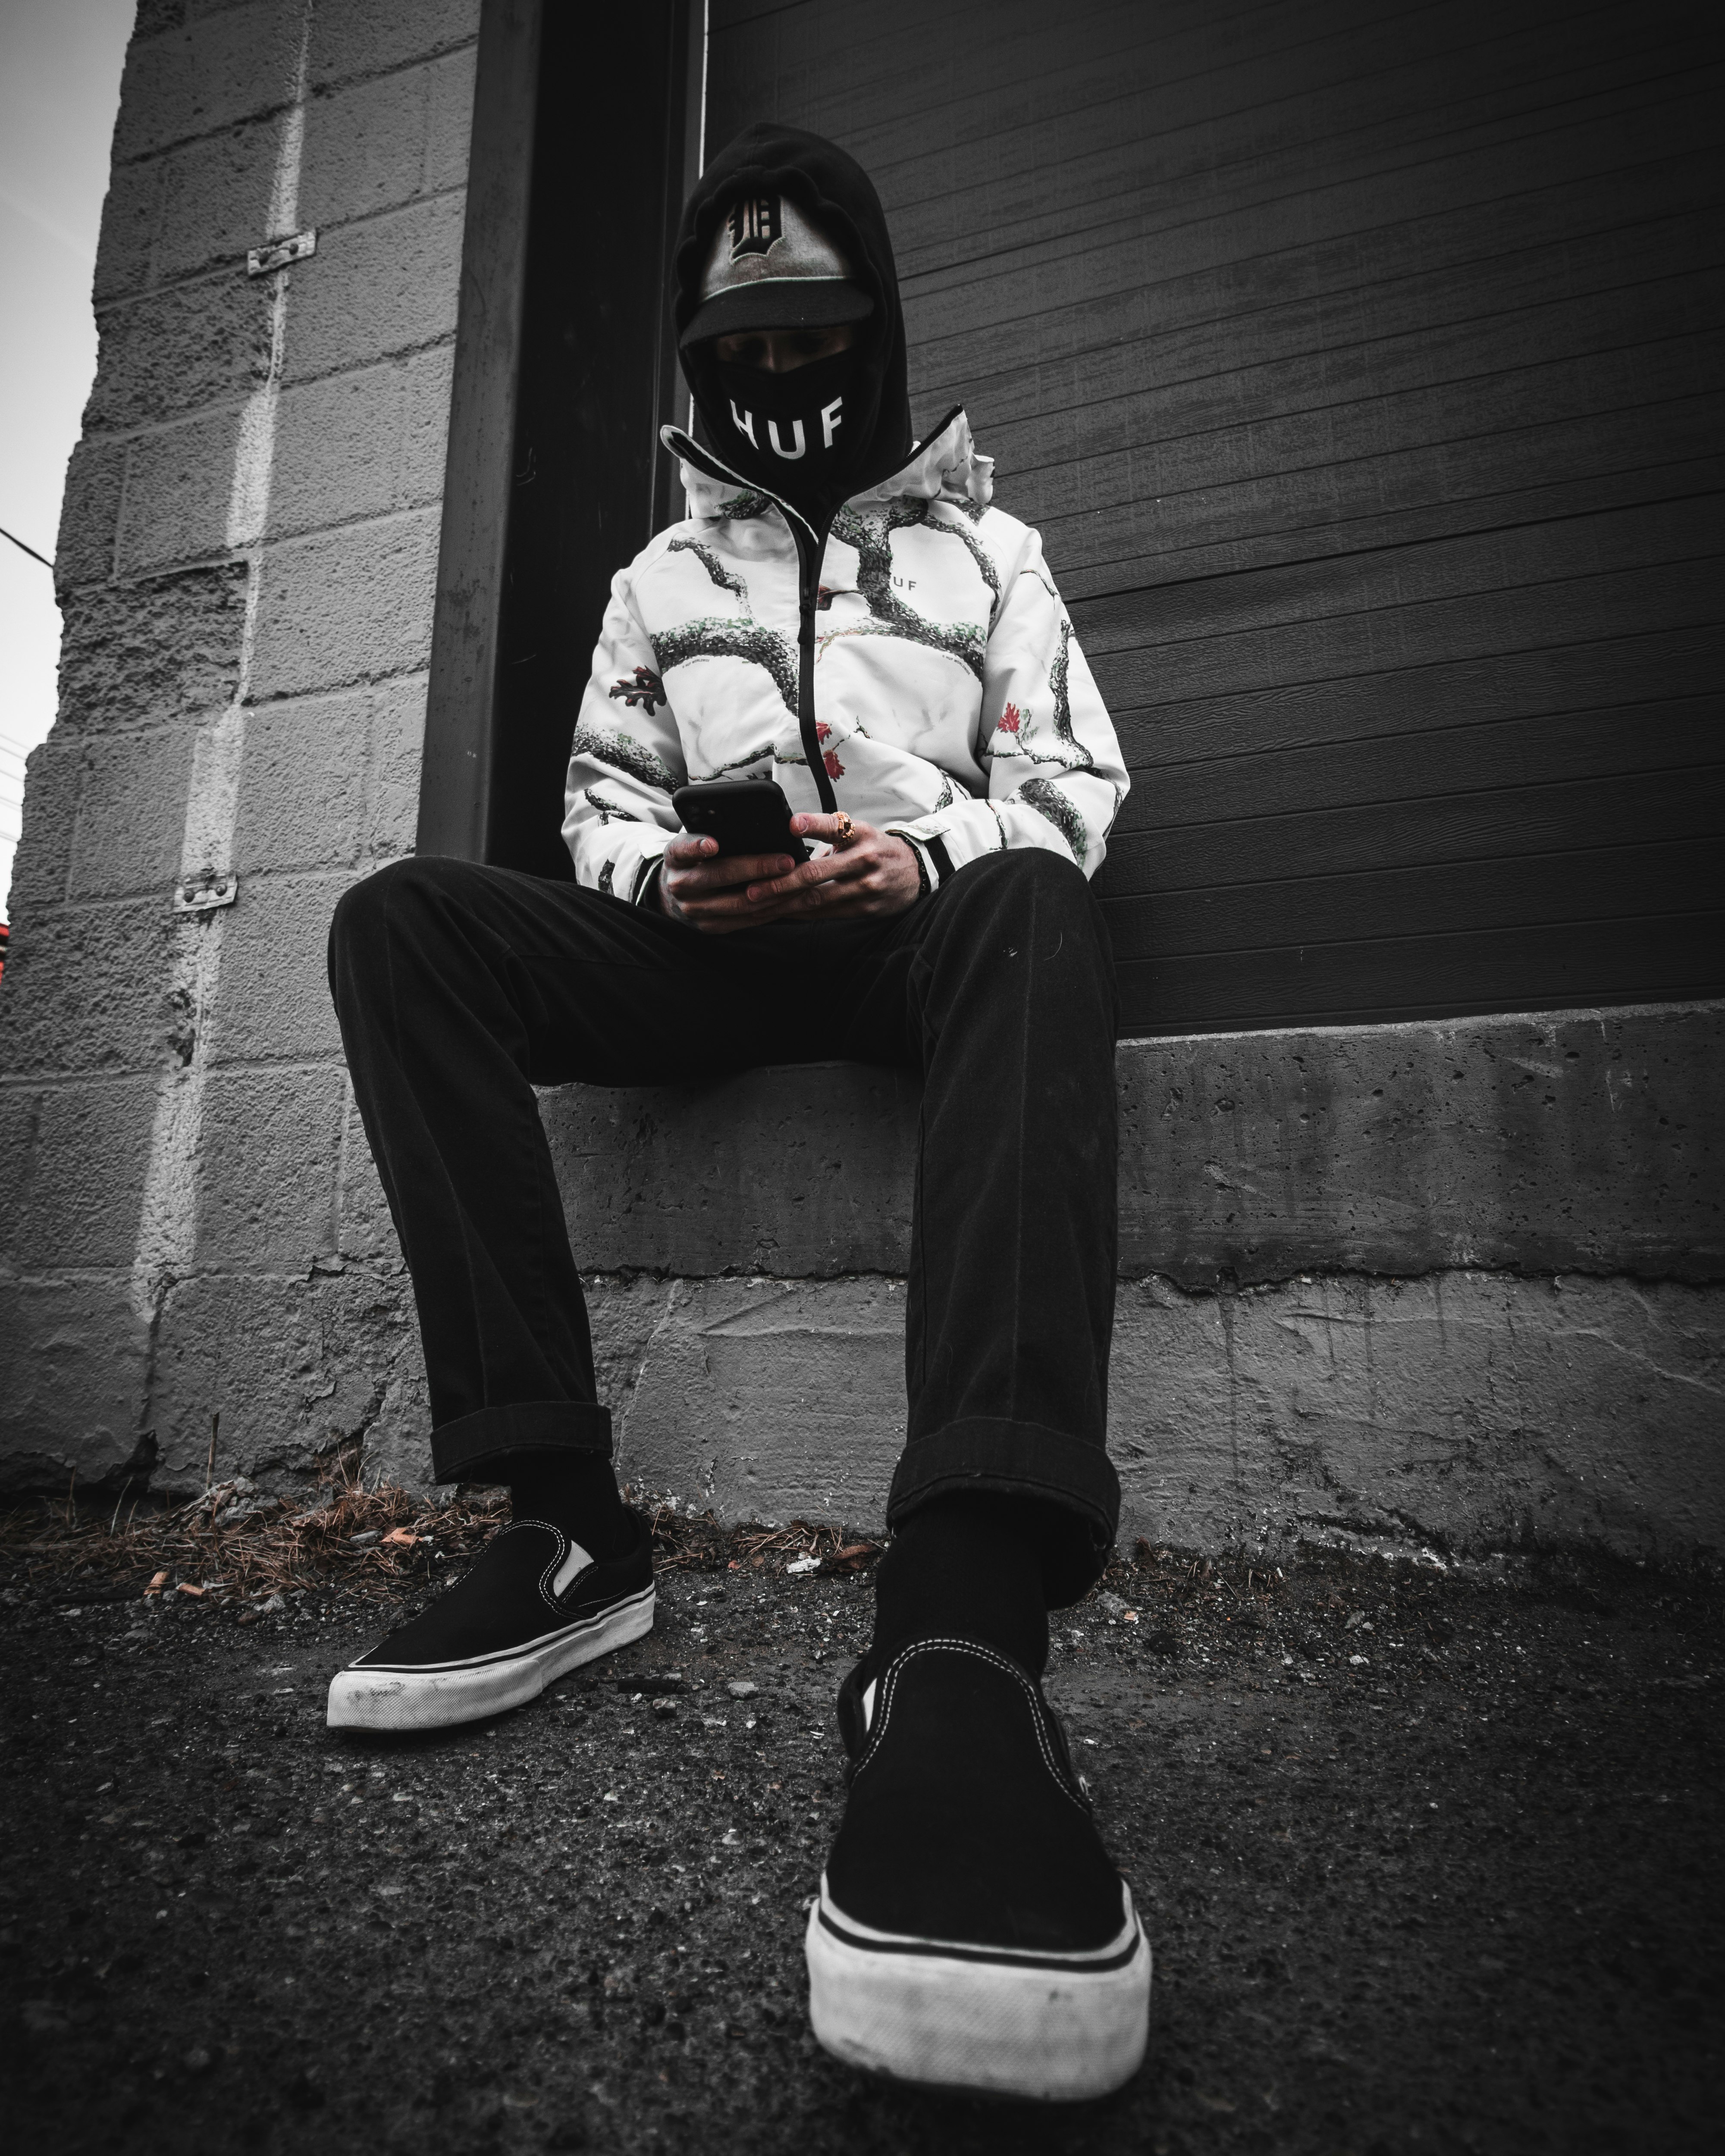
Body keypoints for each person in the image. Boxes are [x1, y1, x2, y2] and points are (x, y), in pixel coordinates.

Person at [323, 124, 1147, 2101]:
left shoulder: (994, 552)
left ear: (869, 322)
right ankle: (565, 1525)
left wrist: (917, 853)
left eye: (815, 331)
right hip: (710, 948)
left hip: (908, 936)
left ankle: (957, 1622)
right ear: (699, 357)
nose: (780, 374)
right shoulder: (654, 574)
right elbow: (598, 805)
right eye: (741, 342)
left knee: (1032, 898)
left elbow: (1074, 790)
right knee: (401, 924)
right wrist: (654, 881)